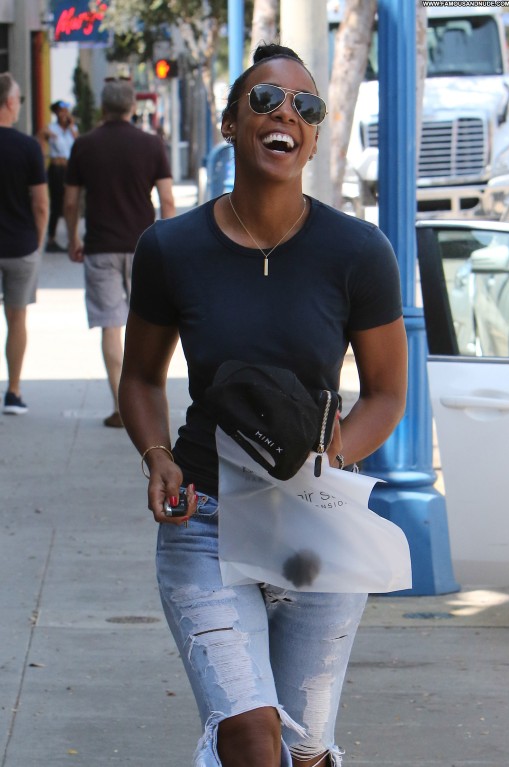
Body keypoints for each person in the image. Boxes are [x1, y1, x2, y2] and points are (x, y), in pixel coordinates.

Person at [118, 44, 408, 767]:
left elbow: (386, 393)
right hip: (204, 518)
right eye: (266, 100)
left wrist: (332, 456)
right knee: (251, 735)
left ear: (313, 136)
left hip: (315, 525)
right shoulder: (171, 248)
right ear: (230, 122)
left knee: (304, 748)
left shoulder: (357, 251)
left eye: (306, 107)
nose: (287, 114)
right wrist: (157, 456)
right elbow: (141, 377)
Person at [64, 78, 175, 428]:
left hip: (101, 247)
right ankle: (149, 401)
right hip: (145, 248)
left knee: (111, 326)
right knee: (151, 326)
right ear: (132, 107)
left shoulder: (84, 145)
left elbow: (71, 202)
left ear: (103, 108)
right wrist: (170, 242)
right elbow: (167, 199)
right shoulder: (152, 144)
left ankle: (121, 407)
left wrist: (73, 237)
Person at [0, 72, 49, 415]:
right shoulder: (28, 147)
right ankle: (13, 391)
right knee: (17, 319)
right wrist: (38, 242)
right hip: (20, 247)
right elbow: (41, 204)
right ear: (9, 102)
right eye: (18, 98)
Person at [37, 100, 78, 252]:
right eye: (61, 111)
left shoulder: (72, 129)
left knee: (70, 202)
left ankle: (72, 238)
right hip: (56, 168)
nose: (64, 114)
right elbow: (39, 137)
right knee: (56, 203)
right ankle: (51, 238)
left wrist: (71, 126)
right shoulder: (51, 128)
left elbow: (78, 142)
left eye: (66, 111)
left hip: (69, 168)